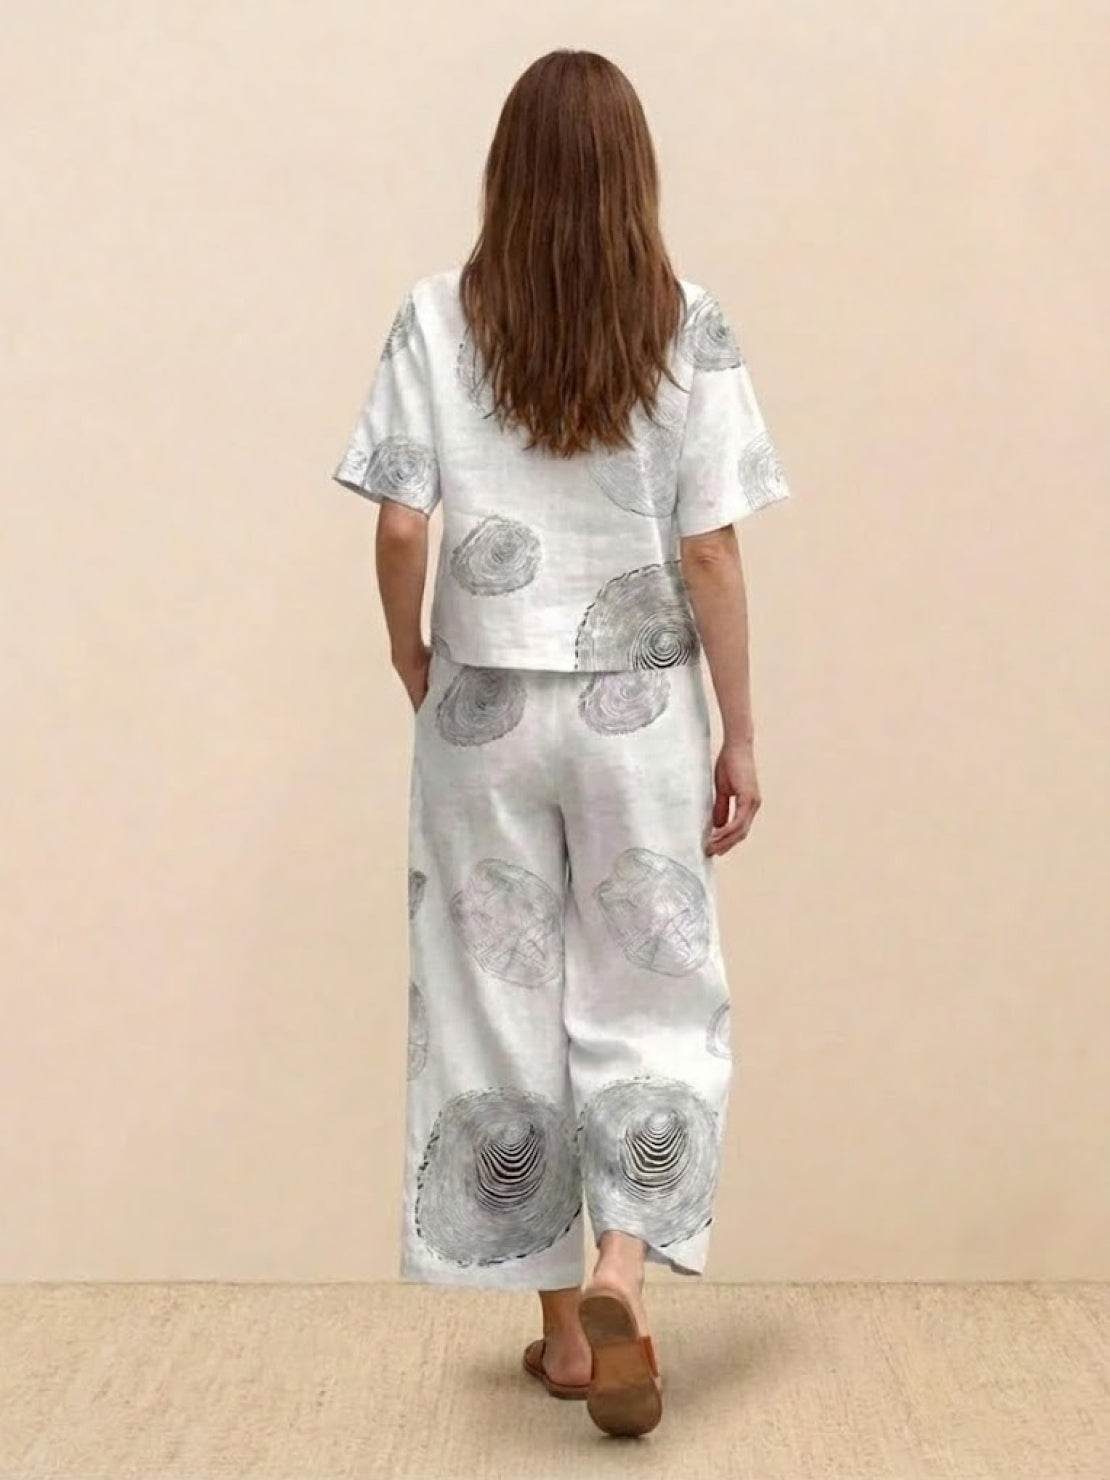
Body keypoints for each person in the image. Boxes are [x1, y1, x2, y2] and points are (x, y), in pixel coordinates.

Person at [329, 48, 792, 1438]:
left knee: (493, 998)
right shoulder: (687, 324)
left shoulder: (433, 316)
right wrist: (739, 733)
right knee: (653, 989)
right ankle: (619, 1273)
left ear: (506, 174)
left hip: (481, 708)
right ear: (634, 177)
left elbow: (399, 523)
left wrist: (409, 650)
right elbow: (708, 550)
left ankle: (562, 1342)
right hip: (637, 711)